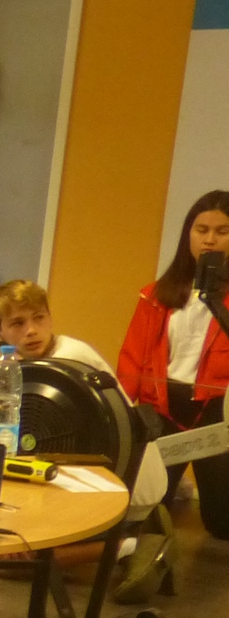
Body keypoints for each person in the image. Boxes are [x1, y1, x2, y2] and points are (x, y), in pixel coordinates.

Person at [0, 280, 171, 598]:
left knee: (11, 562)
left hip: (125, 484)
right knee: (2, 552)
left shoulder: (68, 358)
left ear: (50, 317)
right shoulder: (27, 364)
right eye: (18, 323)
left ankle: (129, 544)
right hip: (103, 477)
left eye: (39, 318)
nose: (31, 331)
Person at [119, 190, 229, 540]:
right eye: (201, 230)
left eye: (222, 231)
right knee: (146, 509)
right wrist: (123, 416)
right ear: (188, 234)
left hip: (217, 412)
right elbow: (132, 358)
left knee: (220, 522)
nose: (210, 239)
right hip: (163, 408)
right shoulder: (154, 295)